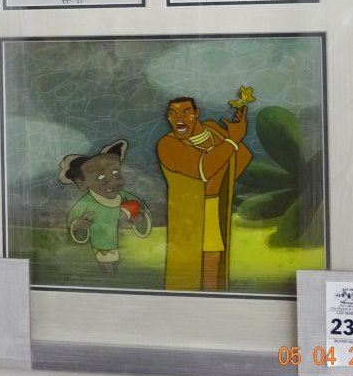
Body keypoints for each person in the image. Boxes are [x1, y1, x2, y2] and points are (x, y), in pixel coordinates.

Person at [157, 97, 252, 292]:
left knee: (214, 261)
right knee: (189, 269)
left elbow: (242, 157)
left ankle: (212, 301)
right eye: (172, 113)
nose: (178, 118)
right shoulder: (167, 145)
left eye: (185, 112)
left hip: (215, 206)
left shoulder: (213, 130)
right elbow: (204, 169)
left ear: (196, 113)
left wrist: (234, 137)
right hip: (189, 214)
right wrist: (232, 140)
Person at [59, 140, 151, 273]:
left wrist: (141, 220)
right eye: (101, 176)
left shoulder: (126, 198)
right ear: (82, 183)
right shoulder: (85, 203)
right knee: (105, 269)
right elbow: (73, 220)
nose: (113, 180)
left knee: (124, 270)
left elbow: (142, 212)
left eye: (115, 172)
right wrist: (77, 226)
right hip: (100, 248)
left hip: (131, 250)